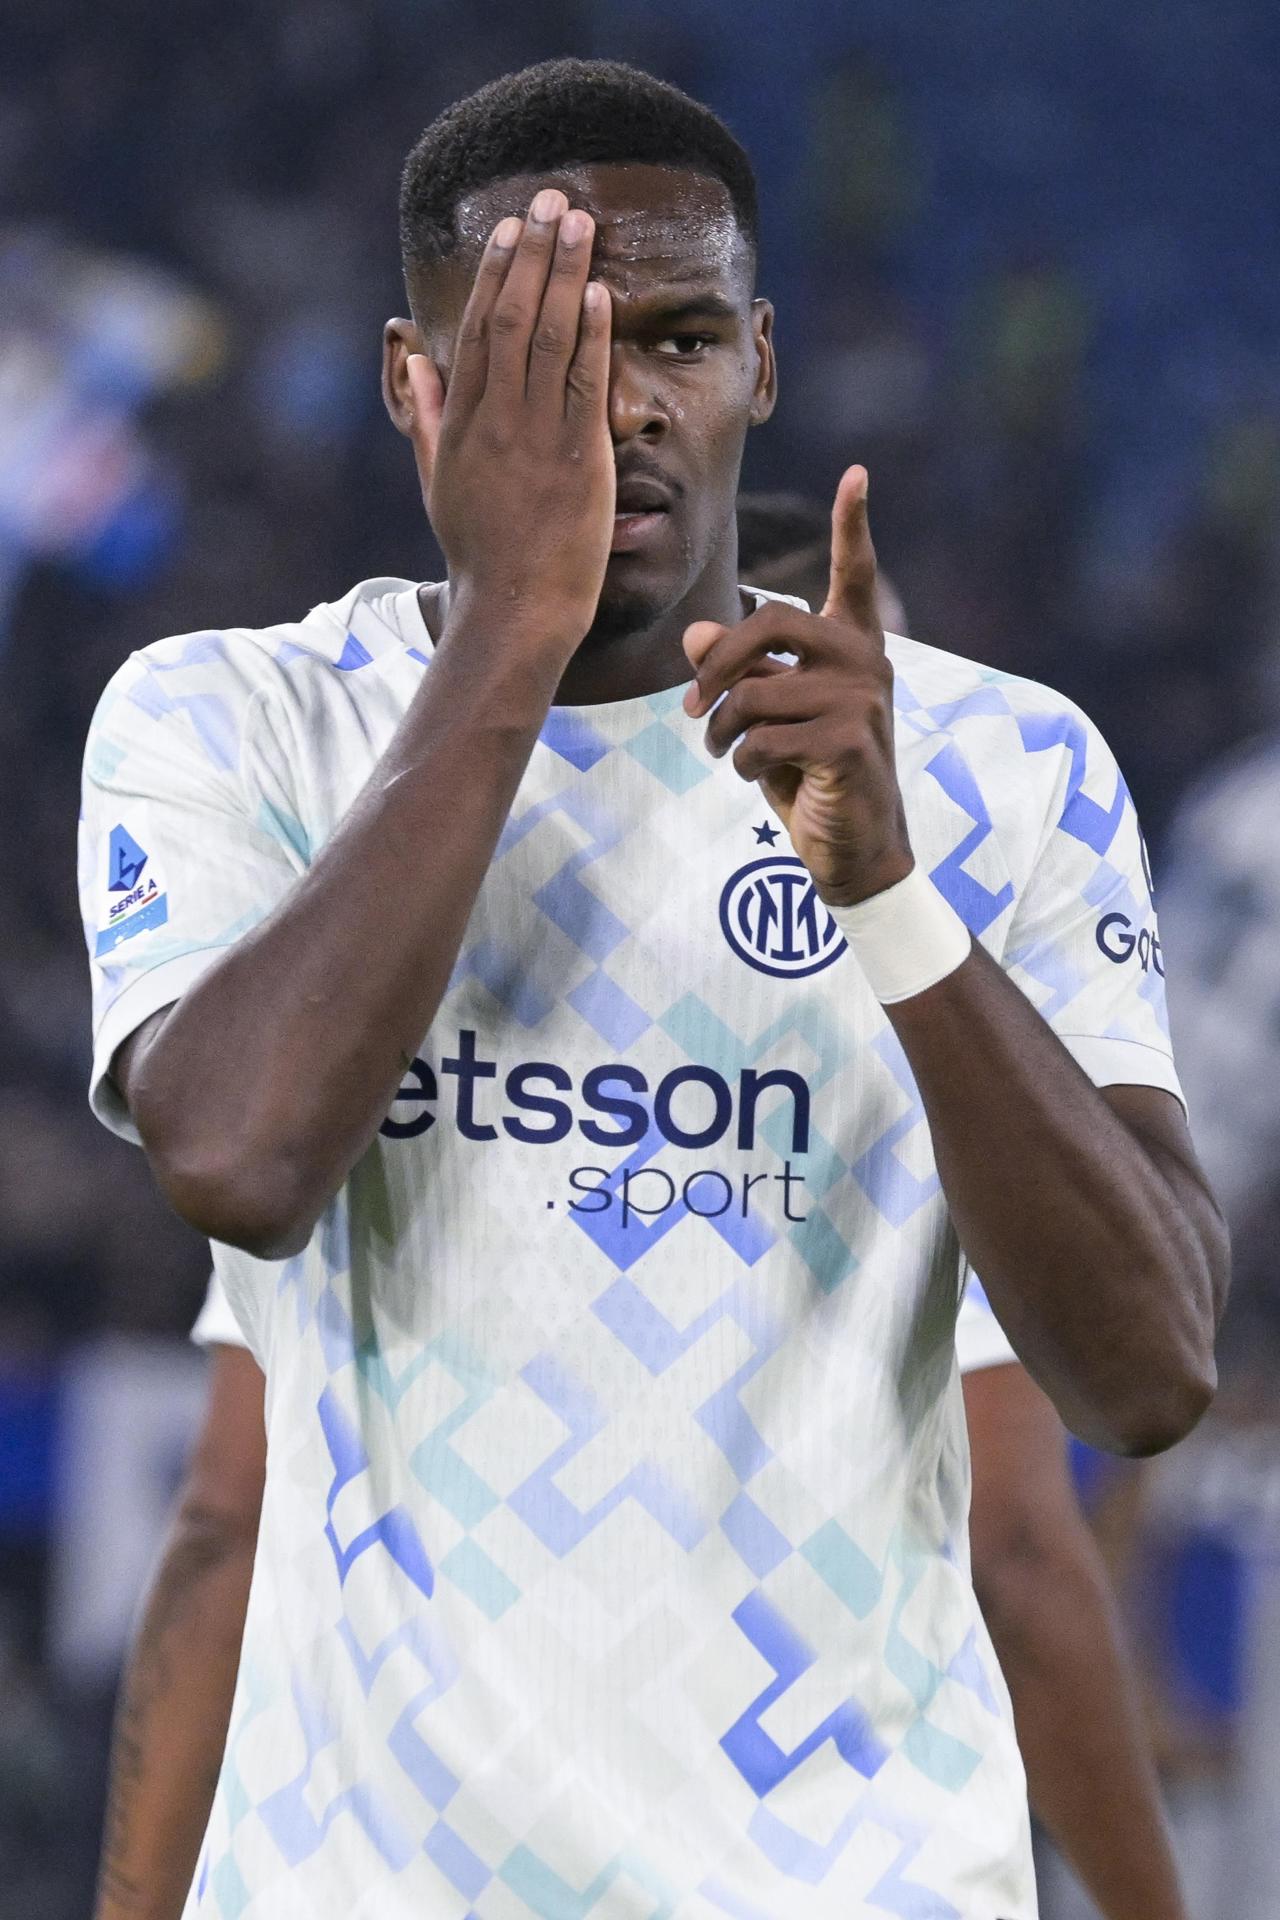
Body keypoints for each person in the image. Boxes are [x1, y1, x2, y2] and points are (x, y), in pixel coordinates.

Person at [77, 57, 1225, 1920]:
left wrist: (894, 901)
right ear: (416, 385)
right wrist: (515, 623)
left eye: (680, 340)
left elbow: (1150, 1374)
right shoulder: (236, 724)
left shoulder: (1002, 767)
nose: (620, 402)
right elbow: (241, 1160)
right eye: (543, 349)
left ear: (763, 364)